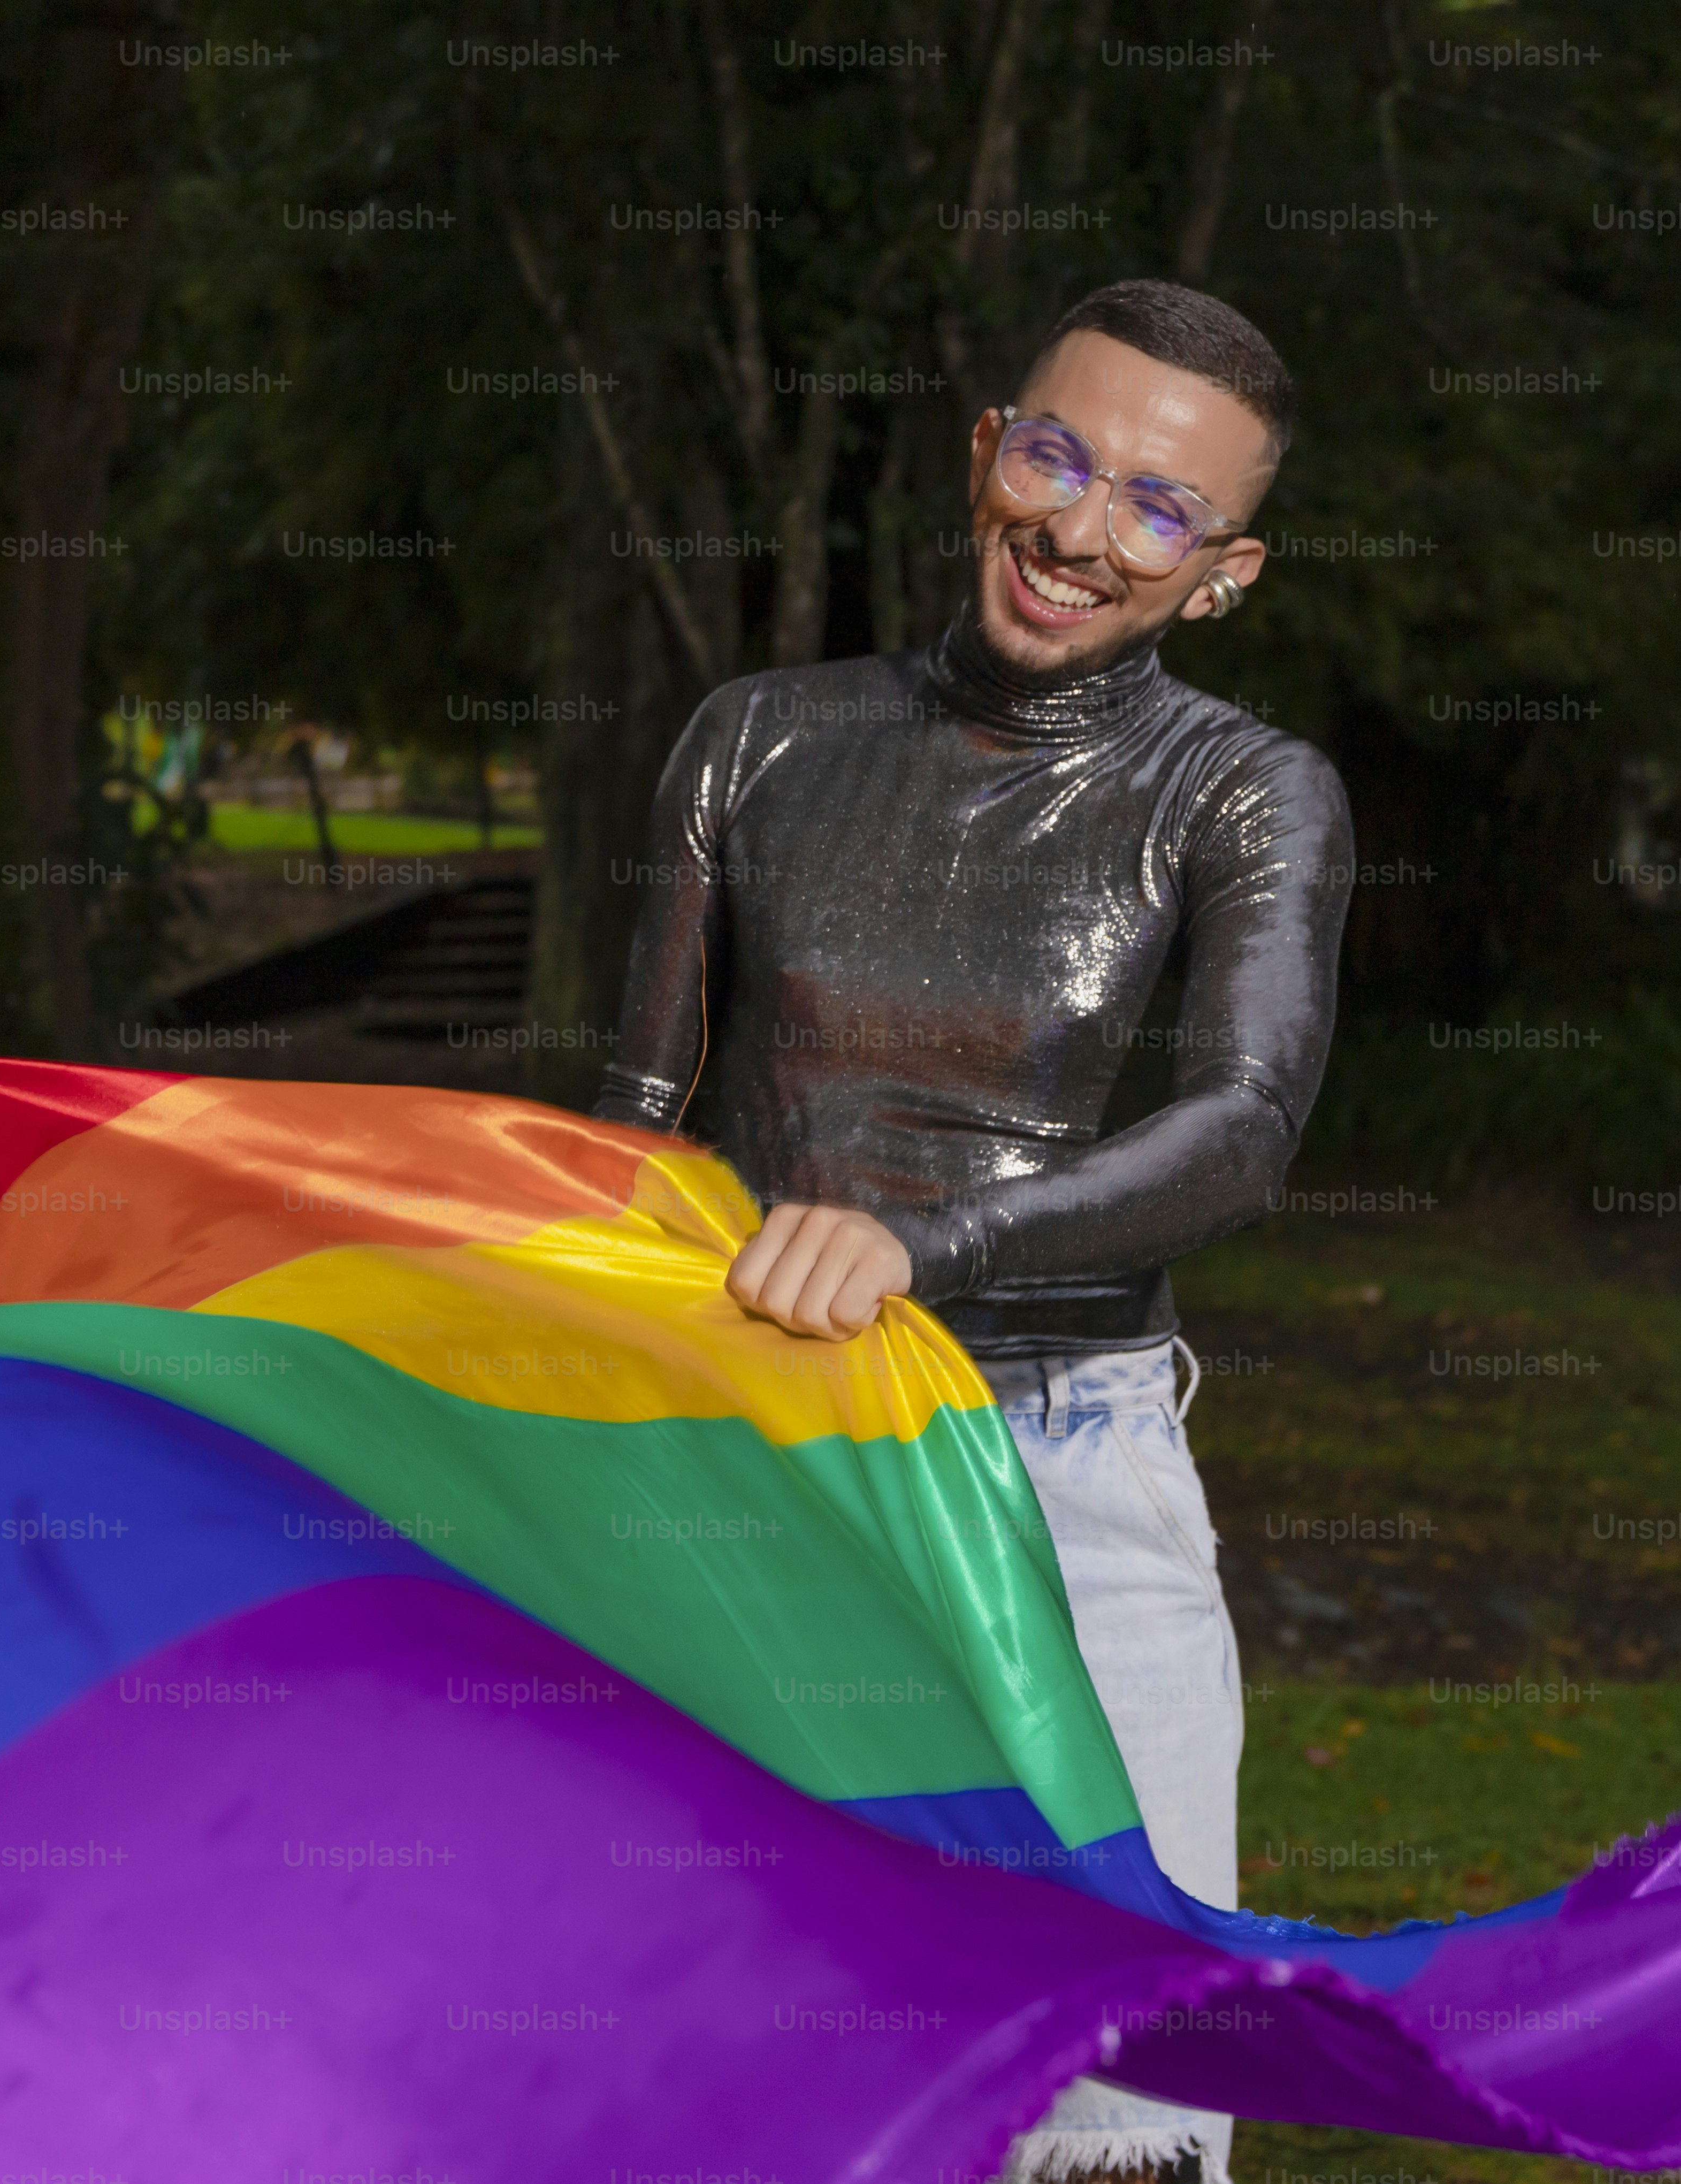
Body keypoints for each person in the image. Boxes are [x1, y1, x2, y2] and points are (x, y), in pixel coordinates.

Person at [592, 280, 1350, 2184]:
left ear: (1222, 571)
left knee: (1122, 2110)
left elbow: (1240, 1129)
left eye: (1159, 510)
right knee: (748, 2072)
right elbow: (624, 1137)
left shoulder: (1243, 792)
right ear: (980, 454)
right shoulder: (753, 742)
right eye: (1054, 454)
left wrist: (917, 1247)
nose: (1083, 530)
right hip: (748, 1460)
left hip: (1062, 1477)